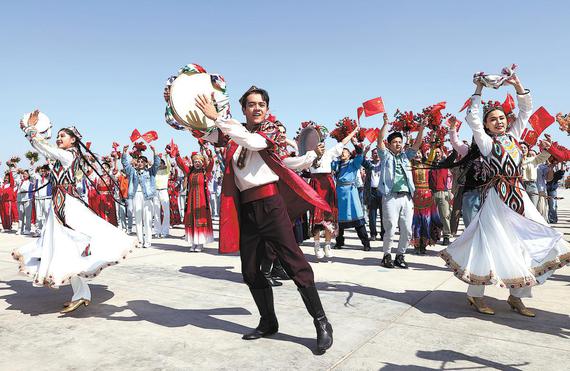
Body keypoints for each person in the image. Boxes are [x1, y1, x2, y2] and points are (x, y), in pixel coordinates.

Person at [193, 86, 334, 354]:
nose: (257, 108)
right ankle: (268, 321)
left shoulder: (273, 129)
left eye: (261, 104)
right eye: (251, 104)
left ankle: (322, 322)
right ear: (243, 109)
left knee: (295, 265)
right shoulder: (233, 135)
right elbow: (208, 134)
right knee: (250, 271)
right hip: (247, 208)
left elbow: (255, 143)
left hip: (271, 204)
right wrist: (190, 115)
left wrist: (219, 118)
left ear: (267, 109)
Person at [441, 75, 569, 317]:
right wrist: (478, 87)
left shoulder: (515, 137)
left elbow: (525, 110)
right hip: (496, 200)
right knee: (487, 245)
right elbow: (474, 119)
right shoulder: (487, 143)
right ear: (487, 126)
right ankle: (475, 295)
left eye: (501, 118)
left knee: (526, 244)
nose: (498, 122)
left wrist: (517, 84)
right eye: (493, 120)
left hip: (519, 197)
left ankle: (516, 296)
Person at [12, 110, 134, 314]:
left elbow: (43, 146)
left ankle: (82, 287)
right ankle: (81, 293)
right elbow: (42, 148)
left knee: (66, 245)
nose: (59, 138)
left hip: (67, 204)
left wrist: (30, 129)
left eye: (63, 136)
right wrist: (28, 130)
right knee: (63, 248)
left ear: (74, 140)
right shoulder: (62, 157)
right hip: (60, 204)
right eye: (58, 135)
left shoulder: (69, 155)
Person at [377, 113, 426, 268]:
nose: (398, 144)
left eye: (400, 142)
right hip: (390, 196)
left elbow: (417, 144)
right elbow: (379, 141)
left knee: (406, 228)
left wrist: (422, 128)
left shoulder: (406, 156)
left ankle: (400, 255)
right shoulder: (385, 156)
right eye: (395, 142)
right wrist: (385, 124)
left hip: (406, 197)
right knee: (390, 226)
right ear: (390, 144)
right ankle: (387, 255)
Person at [308, 127, 358, 259]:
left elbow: (343, 143)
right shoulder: (308, 154)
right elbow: (296, 144)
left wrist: (353, 131)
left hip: (328, 185)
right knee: (316, 218)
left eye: (322, 141)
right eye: (318, 141)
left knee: (329, 217)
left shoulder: (329, 153)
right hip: (315, 186)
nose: (321, 145)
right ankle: (317, 245)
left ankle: (328, 245)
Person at [333, 138, 371, 251]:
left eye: (345, 151)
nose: (342, 153)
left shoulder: (353, 163)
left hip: (351, 192)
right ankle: (339, 242)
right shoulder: (336, 164)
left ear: (349, 155)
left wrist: (354, 143)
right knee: (339, 219)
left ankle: (366, 243)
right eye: (341, 152)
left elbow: (360, 155)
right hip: (339, 192)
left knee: (357, 218)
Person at [174, 147, 214, 252]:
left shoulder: (205, 172)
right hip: (191, 200)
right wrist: (177, 155)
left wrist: (210, 156)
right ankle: (193, 243)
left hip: (202, 201)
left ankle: (200, 243)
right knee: (191, 220)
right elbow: (182, 165)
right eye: (195, 161)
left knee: (200, 220)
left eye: (199, 161)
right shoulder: (190, 171)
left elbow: (211, 165)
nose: (197, 163)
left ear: (202, 162)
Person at [121, 145, 161, 248]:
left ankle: (147, 241)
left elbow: (157, 164)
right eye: (138, 162)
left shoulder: (150, 172)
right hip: (136, 196)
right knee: (138, 220)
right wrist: (124, 152)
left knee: (147, 220)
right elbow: (125, 164)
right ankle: (140, 241)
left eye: (142, 162)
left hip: (147, 197)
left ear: (146, 163)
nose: (140, 163)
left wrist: (154, 151)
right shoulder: (133, 171)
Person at [411, 149, 441, 254]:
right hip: (415, 196)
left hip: (427, 196)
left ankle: (424, 245)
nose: (417, 154)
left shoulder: (426, 166)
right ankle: (417, 244)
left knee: (426, 221)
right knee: (416, 222)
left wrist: (433, 144)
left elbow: (432, 156)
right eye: (415, 153)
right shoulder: (410, 167)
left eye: (419, 152)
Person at [429, 147, 453, 245]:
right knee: (431, 217)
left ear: (442, 153)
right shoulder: (429, 165)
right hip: (431, 193)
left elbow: (454, 156)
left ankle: (446, 236)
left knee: (445, 216)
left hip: (443, 193)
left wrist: (453, 143)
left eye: (438, 152)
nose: (437, 154)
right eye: (435, 153)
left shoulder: (445, 164)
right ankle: (433, 236)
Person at [362, 148, 385, 242]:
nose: (376, 155)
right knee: (372, 214)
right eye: (374, 153)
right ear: (372, 155)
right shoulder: (369, 164)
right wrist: (365, 152)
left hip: (383, 191)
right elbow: (361, 160)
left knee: (384, 215)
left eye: (378, 153)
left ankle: (383, 234)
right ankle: (373, 234)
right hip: (371, 191)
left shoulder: (384, 163)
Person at [520, 141, 550, 207]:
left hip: (531, 186)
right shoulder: (514, 160)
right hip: (519, 186)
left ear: (528, 150)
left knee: (533, 209)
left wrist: (547, 146)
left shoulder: (533, 159)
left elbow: (545, 155)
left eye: (525, 147)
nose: (523, 149)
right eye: (521, 147)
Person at [153, 155, 171, 238]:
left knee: (166, 212)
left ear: (164, 164)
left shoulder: (167, 171)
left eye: (161, 163)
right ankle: (157, 231)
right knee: (156, 212)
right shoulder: (155, 172)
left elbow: (169, 164)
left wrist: (166, 157)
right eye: (159, 163)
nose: (160, 165)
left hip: (164, 191)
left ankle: (165, 231)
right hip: (156, 192)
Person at [33, 164, 52, 236]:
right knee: (38, 216)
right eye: (42, 171)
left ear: (47, 171)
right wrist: (32, 164)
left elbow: (53, 172)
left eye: (44, 171)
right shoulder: (38, 177)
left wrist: (49, 164)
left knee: (47, 214)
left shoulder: (50, 177)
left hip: (47, 198)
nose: (43, 172)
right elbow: (32, 173)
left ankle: (46, 230)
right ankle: (38, 230)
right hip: (38, 199)